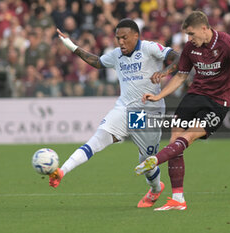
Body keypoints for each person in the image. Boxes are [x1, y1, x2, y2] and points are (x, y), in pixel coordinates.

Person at [49, 19, 180, 208]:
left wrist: (165, 71)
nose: (120, 42)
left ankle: (155, 189)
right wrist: (71, 45)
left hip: (148, 111)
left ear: (136, 36)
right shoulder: (116, 55)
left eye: (124, 38)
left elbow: (178, 57)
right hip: (124, 108)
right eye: (118, 38)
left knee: (147, 162)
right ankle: (62, 171)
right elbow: (96, 62)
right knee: (97, 139)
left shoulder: (150, 48)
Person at [134, 11, 230, 211]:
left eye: (192, 34)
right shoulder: (190, 48)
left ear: (204, 28)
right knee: (175, 140)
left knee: (188, 137)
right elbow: (181, 76)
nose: (189, 39)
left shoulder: (225, 42)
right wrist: (159, 96)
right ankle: (178, 199)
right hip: (194, 96)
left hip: (217, 102)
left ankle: (155, 160)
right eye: (187, 35)